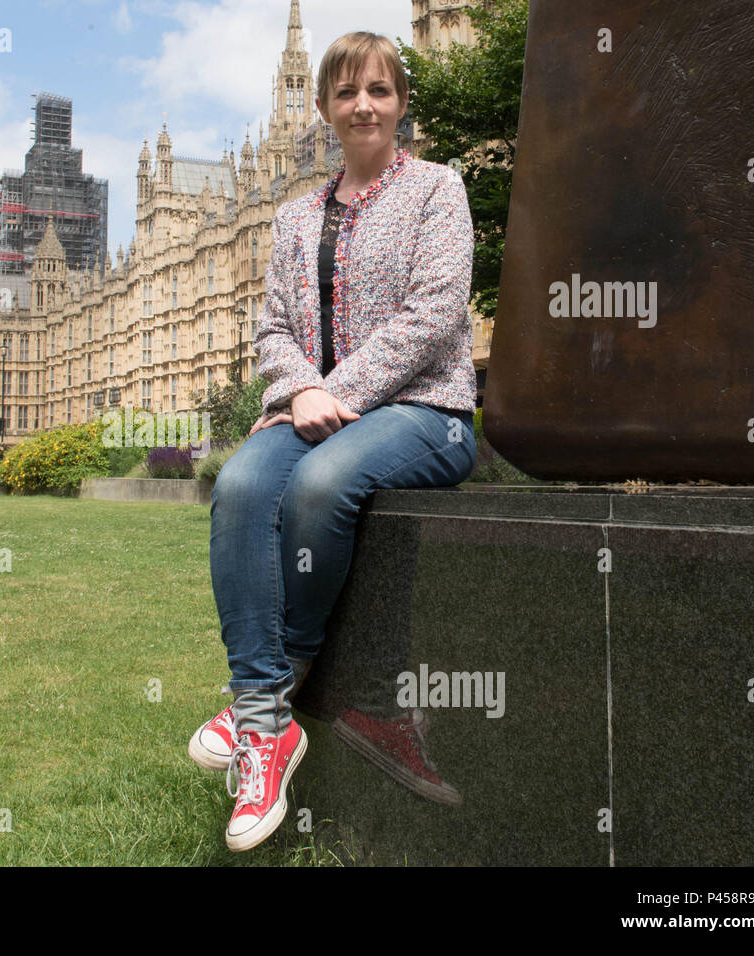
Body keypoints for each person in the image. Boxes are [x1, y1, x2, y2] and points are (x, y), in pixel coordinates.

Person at [187, 32, 478, 852]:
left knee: (318, 487)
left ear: (400, 102)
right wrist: (301, 390)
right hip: (312, 410)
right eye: (347, 92)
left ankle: (267, 700)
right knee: (242, 485)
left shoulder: (436, 191)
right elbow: (272, 328)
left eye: (379, 90)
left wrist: (331, 392)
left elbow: (435, 314)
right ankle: (266, 726)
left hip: (425, 411)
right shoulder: (292, 217)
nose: (363, 105)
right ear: (322, 109)